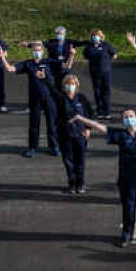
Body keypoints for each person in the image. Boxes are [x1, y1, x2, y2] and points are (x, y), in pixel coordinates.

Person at [73, 82, 136, 247]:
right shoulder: (119, 135)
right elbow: (99, 127)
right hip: (127, 181)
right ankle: (126, 235)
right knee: (129, 208)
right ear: (123, 121)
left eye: (131, 116)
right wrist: (80, 118)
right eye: (126, 117)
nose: (129, 119)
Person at [0, 43, 58, 158]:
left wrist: (71, 56)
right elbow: (10, 69)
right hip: (35, 98)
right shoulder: (28, 64)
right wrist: (2, 57)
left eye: (39, 50)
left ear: (43, 51)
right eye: (35, 50)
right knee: (34, 123)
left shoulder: (48, 62)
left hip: (49, 97)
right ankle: (32, 147)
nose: (37, 53)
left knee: (52, 122)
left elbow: (65, 66)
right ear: (32, 52)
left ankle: (54, 146)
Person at [47, 64, 93, 194]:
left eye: (72, 83)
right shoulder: (61, 98)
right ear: (64, 86)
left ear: (76, 85)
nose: (70, 86)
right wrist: (45, 78)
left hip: (80, 134)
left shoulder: (82, 99)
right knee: (68, 160)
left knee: (80, 160)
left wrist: (88, 128)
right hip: (65, 134)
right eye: (68, 84)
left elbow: (89, 114)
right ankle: (72, 183)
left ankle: (81, 183)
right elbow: (51, 89)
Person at [82, 29, 118, 119]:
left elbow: (114, 55)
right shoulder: (89, 47)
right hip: (95, 72)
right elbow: (85, 56)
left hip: (106, 72)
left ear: (101, 37)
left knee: (106, 91)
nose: (95, 37)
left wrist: (108, 60)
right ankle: (100, 111)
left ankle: (107, 112)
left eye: (97, 36)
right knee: (97, 92)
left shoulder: (106, 45)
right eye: (93, 36)